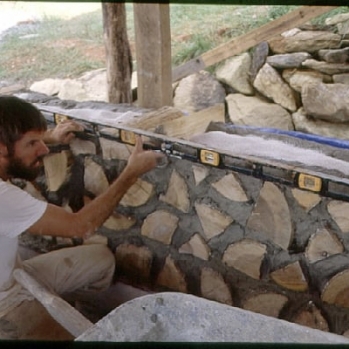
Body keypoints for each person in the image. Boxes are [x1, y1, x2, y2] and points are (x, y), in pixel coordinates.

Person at [0, 95, 163, 326]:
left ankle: (62, 305)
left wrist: (45, 136)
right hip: (5, 304)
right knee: (74, 334)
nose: (45, 149)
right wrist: (131, 173)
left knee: (101, 260)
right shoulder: (4, 198)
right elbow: (81, 226)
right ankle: (43, 315)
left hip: (13, 275)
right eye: (32, 143)